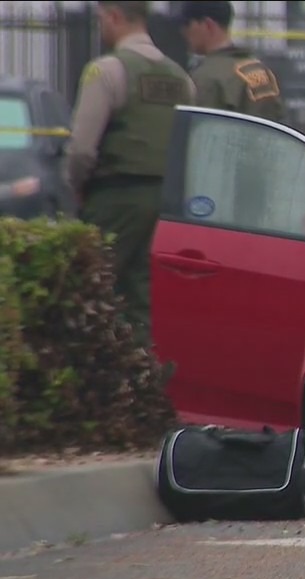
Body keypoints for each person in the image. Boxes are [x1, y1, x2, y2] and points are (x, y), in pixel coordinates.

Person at [65, 0, 196, 344]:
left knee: (89, 290)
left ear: (114, 16)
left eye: (101, 19)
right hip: (166, 203)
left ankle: (95, 370)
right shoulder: (181, 78)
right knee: (140, 297)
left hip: (115, 198)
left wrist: (76, 186)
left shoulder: (106, 71)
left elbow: (81, 150)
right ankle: (141, 369)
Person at [177, 0, 286, 122]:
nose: (183, 31)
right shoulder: (259, 69)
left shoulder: (206, 76)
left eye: (187, 24)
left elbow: (197, 127)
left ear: (208, 25)